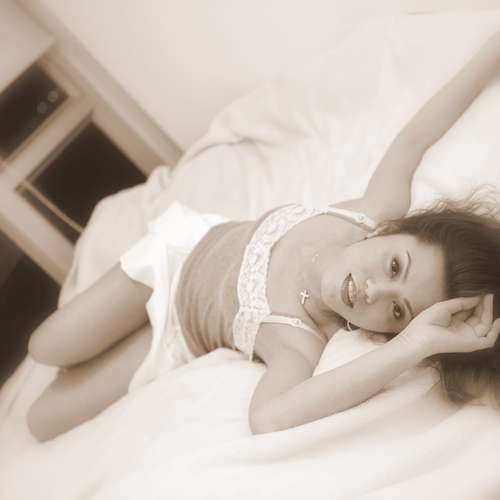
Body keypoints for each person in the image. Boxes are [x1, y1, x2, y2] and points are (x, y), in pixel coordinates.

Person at [27, 32, 500, 441]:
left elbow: (269, 418)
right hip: (175, 255)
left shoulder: (300, 338)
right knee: (44, 347)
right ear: (395, 231)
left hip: (174, 333)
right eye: (395, 266)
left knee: (41, 420)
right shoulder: (370, 212)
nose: (374, 290)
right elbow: (415, 139)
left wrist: (413, 347)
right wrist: (490, 52)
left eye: (397, 312)